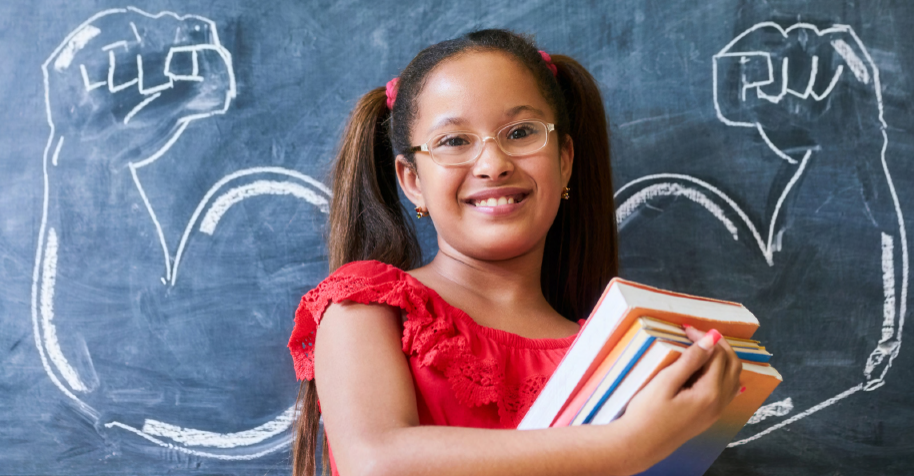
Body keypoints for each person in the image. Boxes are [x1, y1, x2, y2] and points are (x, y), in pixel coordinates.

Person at [287, 30, 744, 476]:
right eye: (454, 141)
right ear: (412, 181)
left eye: (522, 132)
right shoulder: (368, 307)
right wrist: (626, 446)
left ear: (564, 161)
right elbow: (376, 461)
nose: (493, 164)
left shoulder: (611, 354)